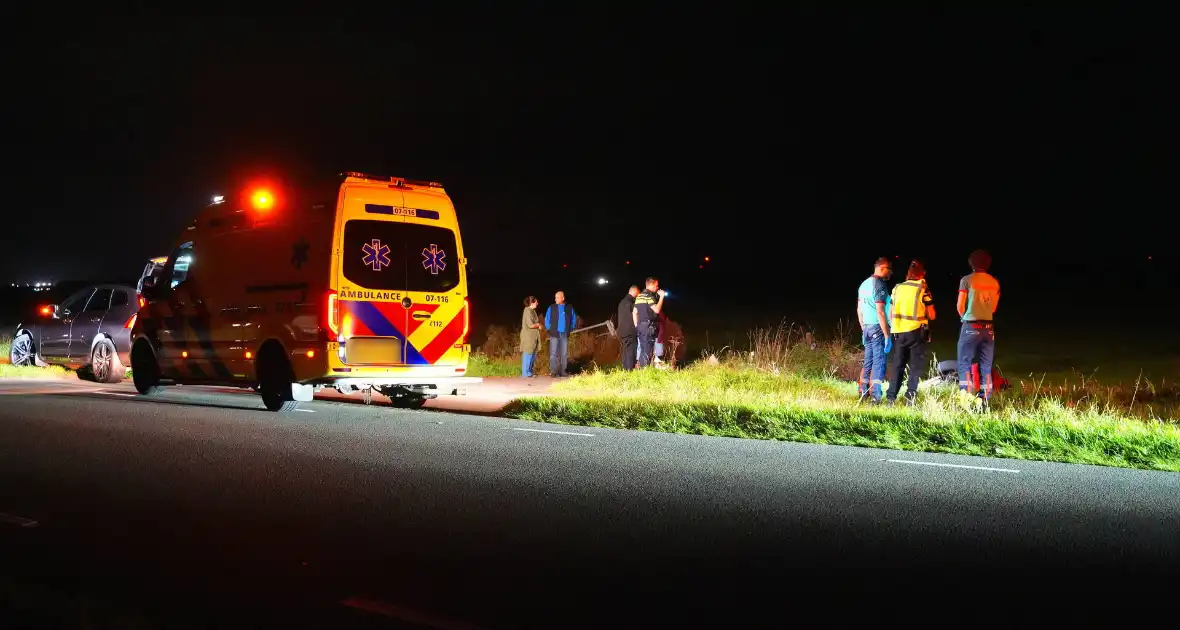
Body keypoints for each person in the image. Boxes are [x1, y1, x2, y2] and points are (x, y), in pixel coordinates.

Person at [887, 260, 936, 404]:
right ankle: (910, 398)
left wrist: (894, 327)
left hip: (898, 332)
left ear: (908, 273)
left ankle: (891, 398)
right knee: (915, 367)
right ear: (922, 274)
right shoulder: (922, 288)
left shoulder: (897, 288)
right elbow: (932, 314)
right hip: (917, 332)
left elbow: (891, 312)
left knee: (898, 365)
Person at [957, 249, 1000, 408]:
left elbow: (960, 306)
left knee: (964, 362)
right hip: (988, 328)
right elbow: (993, 308)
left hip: (970, 325)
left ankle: (966, 398)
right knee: (986, 366)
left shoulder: (966, 280)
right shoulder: (995, 282)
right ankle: (984, 399)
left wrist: (965, 317)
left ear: (971, 263)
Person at [857, 257, 892, 403]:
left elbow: (859, 310)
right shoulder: (879, 285)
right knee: (879, 362)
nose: (890, 273)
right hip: (878, 328)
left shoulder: (863, 285)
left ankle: (862, 391)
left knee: (868, 361)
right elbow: (880, 312)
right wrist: (887, 335)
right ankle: (875, 396)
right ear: (883, 268)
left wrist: (863, 328)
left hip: (867, 327)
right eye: (889, 270)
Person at [632, 277, 665, 368]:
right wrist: (662, 297)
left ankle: (642, 368)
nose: (657, 287)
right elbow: (657, 310)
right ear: (651, 284)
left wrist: (637, 326)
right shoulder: (649, 296)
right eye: (656, 285)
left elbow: (634, 312)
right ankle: (645, 370)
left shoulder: (639, 296)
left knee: (643, 349)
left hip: (641, 326)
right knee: (647, 350)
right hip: (648, 326)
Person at [544, 290, 577, 377]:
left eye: (558, 297)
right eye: (555, 298)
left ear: (563, 298)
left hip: (564, 333)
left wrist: (571, 328)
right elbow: (547, 319)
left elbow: (573, 319)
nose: (556, 299)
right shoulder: (551, 307)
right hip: (554, 333)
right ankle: (553, 371)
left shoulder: (569, 307)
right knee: (553, 353)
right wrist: (550, 329)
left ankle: (563, 371)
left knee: (564, 353)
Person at [617, 285, 640, 370]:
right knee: (631, 352)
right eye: (638, 293)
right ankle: (630, 370)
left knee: (626, 351)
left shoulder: (622, 302)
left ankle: (625, 370)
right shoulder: (631, 303)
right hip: (630, 331)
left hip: (622, 331)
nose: (638, 295)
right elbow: (635, 315)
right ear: (635, 291)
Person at [519, 296, 542, 378]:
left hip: (533, 336)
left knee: (532, 355)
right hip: (528, 337)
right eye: (536, 302)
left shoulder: (533, 311)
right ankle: (525, 373)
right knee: (528, 353)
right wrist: (538, 325)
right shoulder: (527, 311)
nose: (537, 303)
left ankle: (529, 372)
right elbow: (530, 325)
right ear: (532, 302)